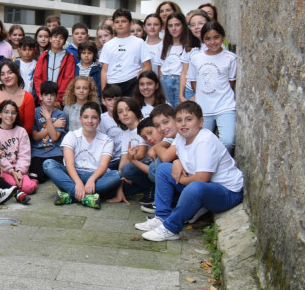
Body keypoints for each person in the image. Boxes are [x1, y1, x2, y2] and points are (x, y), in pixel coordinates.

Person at [135, 102, 244, 242]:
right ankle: (161, 217)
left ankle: (171, 228)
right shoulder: (181, 137)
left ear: (200, 122)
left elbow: (202, 178)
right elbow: (178, 157)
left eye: (189, 119)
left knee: (195, 186)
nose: (183, 124)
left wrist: (182, 180)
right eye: (179, 120)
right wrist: (177, 162)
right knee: (163, 169)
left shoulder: (205, 140)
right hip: (206, 187)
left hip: (228, 192)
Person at [43, 102, 121, 209]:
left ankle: (70, 195)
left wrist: (92, 179)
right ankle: (86, 197)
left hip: (95, 176)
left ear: (99, 120)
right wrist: (78, 182)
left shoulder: (107, 140)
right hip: (73, 174)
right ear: (80, 119)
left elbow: (103, 166)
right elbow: (69, 165)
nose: (89, 121)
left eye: (94, 117)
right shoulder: (72, 135)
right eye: (86, 117)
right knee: (48, 164)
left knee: (117, 175)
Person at [182, 21, 237, 154]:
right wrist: (202, 95)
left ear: (223, 36)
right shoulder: (196, 58)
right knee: (203, 143)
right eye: (208, 38)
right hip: (204, 108)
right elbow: (194, 81)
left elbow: (231, 83)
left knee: (228, 141)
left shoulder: (230, 58)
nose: (212, 42)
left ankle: (221, 167)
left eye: (216, 37)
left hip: (225, 106)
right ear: (203, 39)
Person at [0, 101, 36, 200]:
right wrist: (11, 171)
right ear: (0, 114)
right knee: (12, 185)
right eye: (6, 112)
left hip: (19, 169)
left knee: (28, 188)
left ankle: (34, 181)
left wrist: (19, 171)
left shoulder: (21, 131)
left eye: (13, 113)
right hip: (3, 169)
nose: (10, 115)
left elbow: (24, 154)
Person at [100, 8, 153, 96]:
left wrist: (138, 77)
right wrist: (103, 92)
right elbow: (104, 70)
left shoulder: (139, 42)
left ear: (131, 23)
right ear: (113, 25)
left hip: (132, 83)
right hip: (112, 84)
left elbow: (147, 66)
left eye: (124, 21)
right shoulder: (108, 45)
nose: (120, 24)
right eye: (117, 22)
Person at [158, 12, 197, 108]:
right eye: (170, 26)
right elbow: (160, 68)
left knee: (181, 109)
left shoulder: (189, 46)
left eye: (177, 25)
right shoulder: (162, 46)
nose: (173, 28)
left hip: (181, 81)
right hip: (165, 81)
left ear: (183, 26)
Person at [30, 81, 67, 182]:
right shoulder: (34, 112)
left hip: (55, 152)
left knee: (60, 174)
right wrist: (53, 124)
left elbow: (55, 138)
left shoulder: (60, 115)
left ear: (57, 96)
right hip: (38, 152)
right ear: (40, 96)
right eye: (46, 94)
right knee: (38, 178)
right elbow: (35, 137)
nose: (49, 97)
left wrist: (48, 119)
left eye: (52, 94)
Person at [0, 60, 36, 134]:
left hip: (17, 140)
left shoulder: (28, 97)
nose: (6, 76)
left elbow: (28, 128)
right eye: (2, 74)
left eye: (10, 73)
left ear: (18, 73)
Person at [33, 26, 75, 102]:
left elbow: (68, 79)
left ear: (65, 41)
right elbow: (37, 78)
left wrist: (58, 99)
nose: (57, 40)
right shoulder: (43, 56)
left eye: (61, 38)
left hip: (60, 100)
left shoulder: (69, 57)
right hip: (43, 99)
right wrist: (42, 97)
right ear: (50, 39)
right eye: (55, 37)